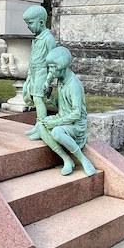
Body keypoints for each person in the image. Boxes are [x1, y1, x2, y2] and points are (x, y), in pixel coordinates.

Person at [35, 46, 96, 176]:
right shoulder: (61, 80)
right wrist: (50, 96)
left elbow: (76, 113)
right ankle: (66, 159)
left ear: (60, 67)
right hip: (63, 119)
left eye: (52, 67)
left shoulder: (74, 85)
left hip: (75, 125)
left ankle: (83, 159)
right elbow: (62, 106)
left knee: (56, 132)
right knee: (40, 125)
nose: (50, 71)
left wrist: (55, 123)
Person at [21, 5, 57, 136]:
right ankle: (38, 126)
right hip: (34, 72)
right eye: (27, 23)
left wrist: (48, 80)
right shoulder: (36, 39)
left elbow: (54, 62)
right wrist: (29, 76)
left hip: (43, 72)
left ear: (41, 22)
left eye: (30, 23)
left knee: (38, 99)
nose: (28, 26)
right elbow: (32, 60)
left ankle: (41, 127)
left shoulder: (48, 38)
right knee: (33, 98)